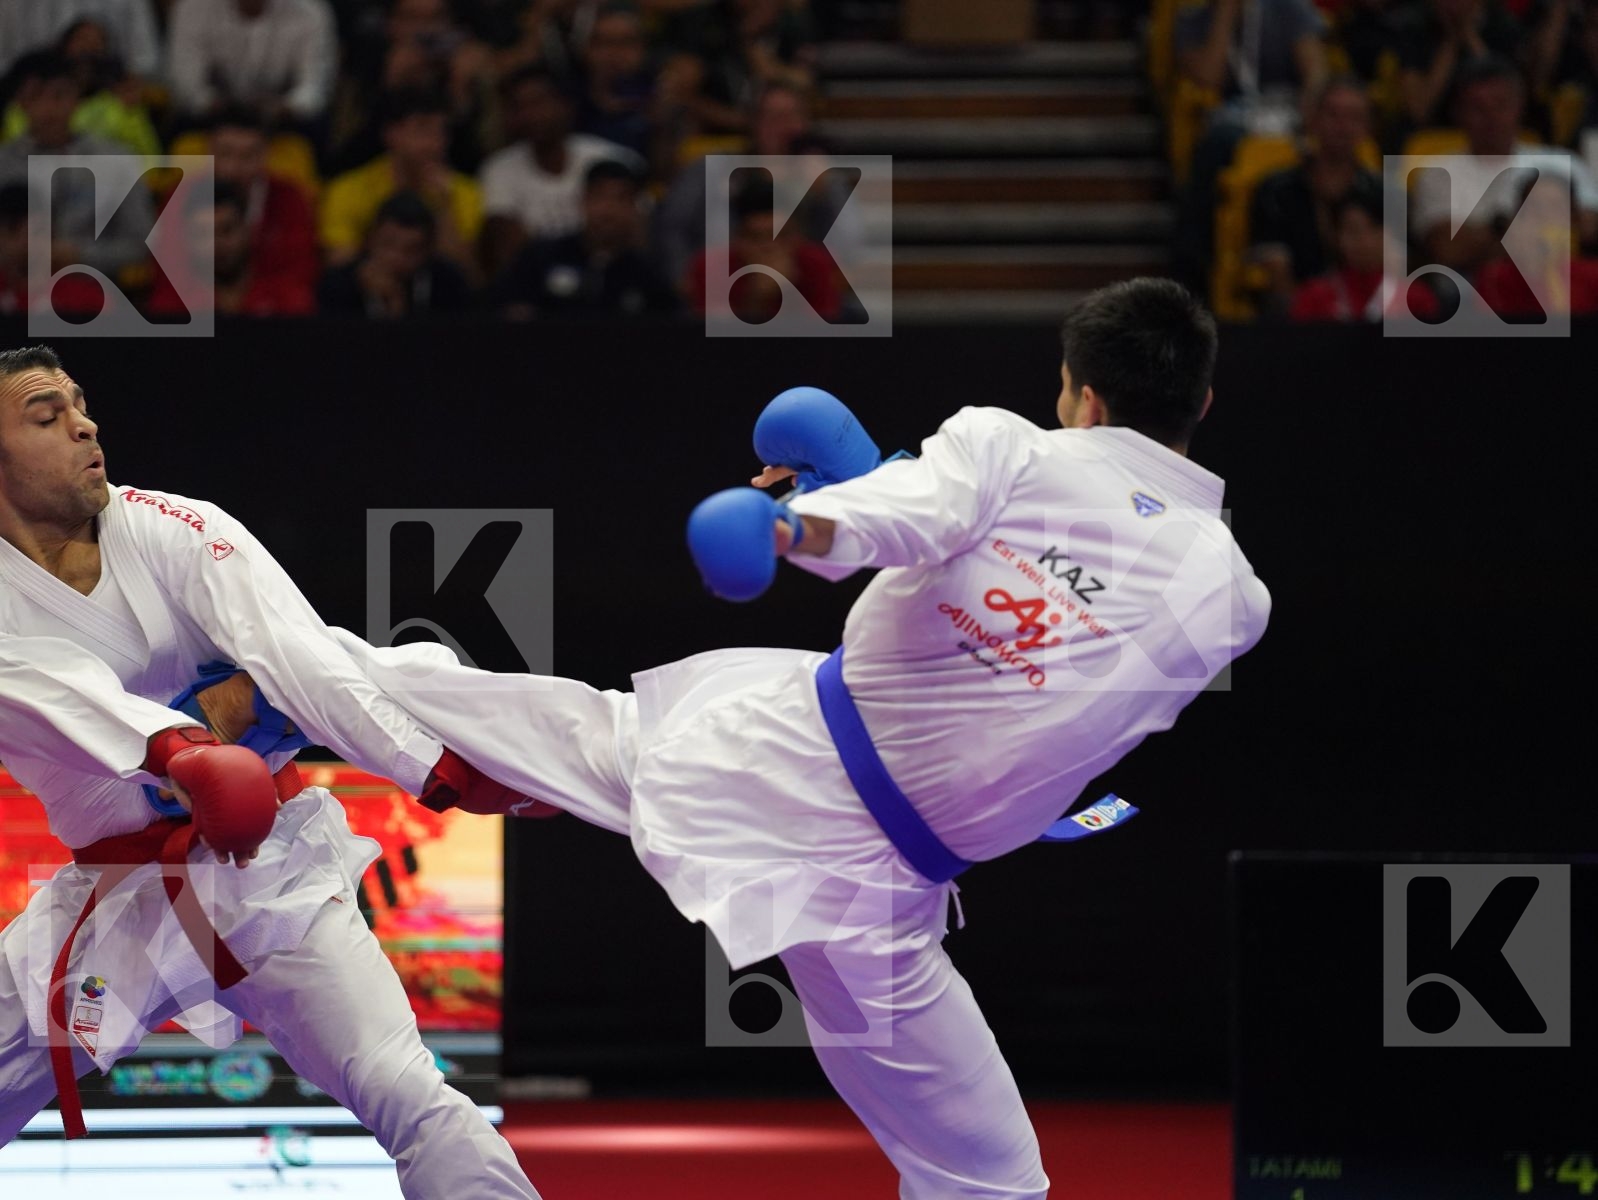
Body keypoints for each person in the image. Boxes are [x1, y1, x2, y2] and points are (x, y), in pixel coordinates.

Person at [210, 277, 1270, 1200]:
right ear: (1203, 405)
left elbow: (888, 525)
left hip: (793, 800)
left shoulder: (1009, 449)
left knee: (508, 717)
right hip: (850, 841)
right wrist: (844, 509)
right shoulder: (1231, 596)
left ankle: (268, 679)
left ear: (1077, 392)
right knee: (990, 1181)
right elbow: (966, 586)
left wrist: (788, 523)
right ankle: (263, 693)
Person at [0, 345, 541, 1198]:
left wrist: (441, 771)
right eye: (46, 416)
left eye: (80, 405)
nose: (84, 424)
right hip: (113, 902)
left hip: (269, 878)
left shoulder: (177, 527)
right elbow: (53, 697)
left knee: (408, 1090)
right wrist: (188, 740)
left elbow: (306, 661)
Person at [1409, 54, 1598, 275]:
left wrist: (1497, 234)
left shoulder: (1563, 162)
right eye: (1478, 108)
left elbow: (1589, 228)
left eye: (1501, 104)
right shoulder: (1438, 174)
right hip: (1480, 289)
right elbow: (1448, 249)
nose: (1491, 117)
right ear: (1458, 113)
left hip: (1569, 282)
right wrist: (1544, 227)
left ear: (1519, 106)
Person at [478, 65, 643, 278]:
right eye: (519, 106)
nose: (530, 115)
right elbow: (508, 253)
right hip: (538, 288)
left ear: (566, 105)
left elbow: (636, 228)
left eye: (538, 103)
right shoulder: (498, 170)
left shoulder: (610, 157)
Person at [0, 52, 152, 282]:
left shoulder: (117, 158)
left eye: (58, 95)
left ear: (77, 98)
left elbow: (142, 245)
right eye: (35, 97)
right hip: (16, 293)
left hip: (97, 292)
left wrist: (80, 254)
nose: (48, 108)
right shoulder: (4, 164)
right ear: (19, 102)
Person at [320, 88, 484, 275]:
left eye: (442, 132)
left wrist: (444, 209)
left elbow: (465, 277)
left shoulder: (464, 191)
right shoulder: (347, 190)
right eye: (423, 130)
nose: (436, 144)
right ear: (391, 134)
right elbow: (339, 266)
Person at [1249, 77, 1381, 308]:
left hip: (1370, 318)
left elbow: (1394, 272)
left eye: (1354, 117)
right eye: (1333, 115)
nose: (1342, 126)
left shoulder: (1382, 193)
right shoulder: (1276, 190)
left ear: (1367, 127)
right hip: (1302, 320)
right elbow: (1276, 272)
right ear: (1313, 120)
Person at [493, 159, 678, 317]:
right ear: (582, 201)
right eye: (599, 196)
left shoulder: (648, 274)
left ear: (634, 208)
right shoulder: (540, 257)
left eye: (621, 199)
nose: (609, 210)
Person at [146, 181, 317, 318]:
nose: (216, 244)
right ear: (188, 241)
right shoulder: (170, 306)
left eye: (226, 230)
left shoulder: (288, 299)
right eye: (203, 234)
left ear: (247, 231)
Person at [165, 0, 339, 129]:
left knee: (315, 123)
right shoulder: (193, 7)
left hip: (282, 118)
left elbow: (314, 88)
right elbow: (186, 84)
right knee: (183, 123)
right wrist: (219, 107)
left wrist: (284, 108)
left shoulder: (312, 11)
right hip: (214, 115)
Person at [1289, 187, 1442, 318]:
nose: (1363, 240)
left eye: (1373, 228)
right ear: (1336, 237)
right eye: (1352, 230)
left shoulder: (1415, 298)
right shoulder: (1314, 296)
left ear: (1389, 234)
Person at [318, 189, 474, 316]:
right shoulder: (339, 285)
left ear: (428, 250)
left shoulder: (449, 285)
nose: (397, 257)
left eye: (411, 249)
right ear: (370, 240)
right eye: (388, 245)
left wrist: (397, 305)